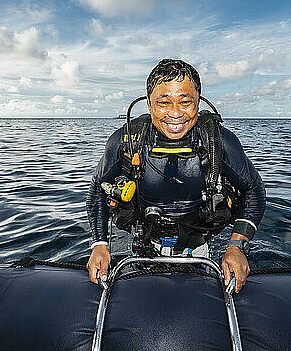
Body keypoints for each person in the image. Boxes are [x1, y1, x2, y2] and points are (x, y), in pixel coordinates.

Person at [86, 59, 265, 292]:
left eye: (185, 102)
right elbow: (98, 189)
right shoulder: (126, 141)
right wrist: (99, 244)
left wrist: (236, 247)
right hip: (143, 250)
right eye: (164, 102)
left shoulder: (218, 141)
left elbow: (254, 189)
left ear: (198, 103)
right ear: (149, 104)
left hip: (199, 251)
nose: (175, 113)